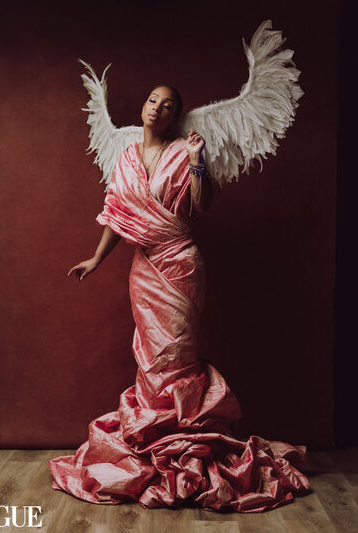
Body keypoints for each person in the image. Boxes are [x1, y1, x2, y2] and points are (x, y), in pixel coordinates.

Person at [49, 85, 309, 513]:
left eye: (168, 105)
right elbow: (116, 211)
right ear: (143, 107)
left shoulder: (183, 150)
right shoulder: (127, 157)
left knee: (178, 355)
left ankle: (185, 443)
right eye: (153, 100)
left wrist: (196, 162)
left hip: (181, 265)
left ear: (175, 118)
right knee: (150, 356)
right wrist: (96, 259)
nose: (158, 108)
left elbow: (201, 205)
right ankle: (154, 442)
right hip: (143, 267)